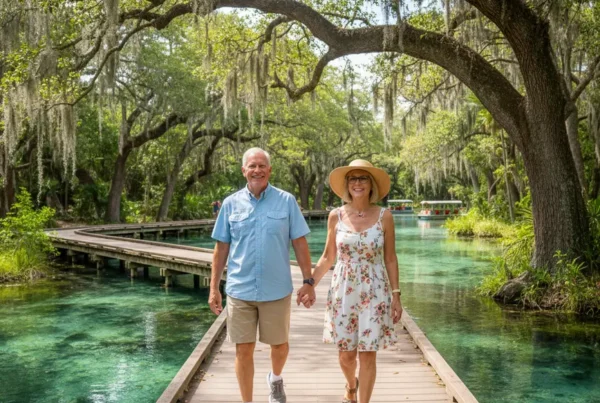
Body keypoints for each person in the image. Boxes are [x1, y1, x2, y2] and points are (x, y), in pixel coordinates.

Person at [209, 147, 316, 403]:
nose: (257, 170)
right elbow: (221, 247)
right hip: (240, 290)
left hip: (276, 289)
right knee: (243, 350)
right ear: (244, 170)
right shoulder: (231, 204)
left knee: (279, 346)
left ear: (269, 170)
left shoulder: (287, 201)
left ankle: (275, 378)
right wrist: (214, 287)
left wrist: (308, 281)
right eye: (252, 166)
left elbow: (300, 243)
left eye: (261, 166)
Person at [297, 159, 402, 403]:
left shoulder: (385, 216)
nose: (357, 183)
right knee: (346, 354)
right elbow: (327, 257)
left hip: (374, 290)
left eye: (362, 178)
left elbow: (390, 259)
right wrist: (309, 283)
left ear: (371, 184)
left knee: (367, 355)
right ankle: (350, 385)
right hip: (343, 290)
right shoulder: (336, 215)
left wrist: (396, 294)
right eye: (352, 178)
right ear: (347, 184)